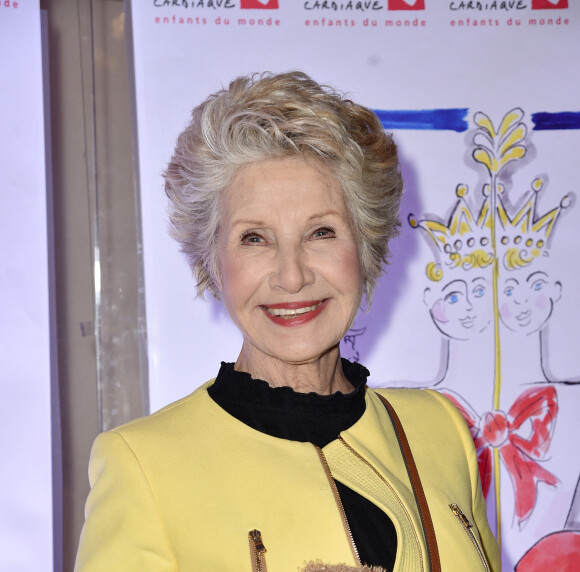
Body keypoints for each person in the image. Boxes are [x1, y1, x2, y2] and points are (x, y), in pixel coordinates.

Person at [74, 71, 499, 572]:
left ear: (365, 247)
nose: (292, 277)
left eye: (321, 231)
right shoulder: (143, 465)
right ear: (211, 259)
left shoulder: (440, 426)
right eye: (255, 238)